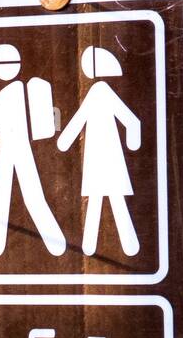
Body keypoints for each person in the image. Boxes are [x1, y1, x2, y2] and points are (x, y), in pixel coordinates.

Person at [0, 42, 66, 257]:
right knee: (23, 195)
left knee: (14, 195)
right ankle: (52, 244)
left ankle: (52, 244)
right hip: (14, 150)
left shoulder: (8, 94)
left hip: (14, 149)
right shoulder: (18, 90)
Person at [57, 44, 142, 257]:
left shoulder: (100, 92)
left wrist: (65, 141)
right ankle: (105, 247)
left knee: (105, 199)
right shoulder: (100, 92)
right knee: (105, 199)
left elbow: (131, 121)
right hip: (102, 158)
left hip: (104, 157)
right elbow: (130, 122)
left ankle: (105, 247)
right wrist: (65, 141)